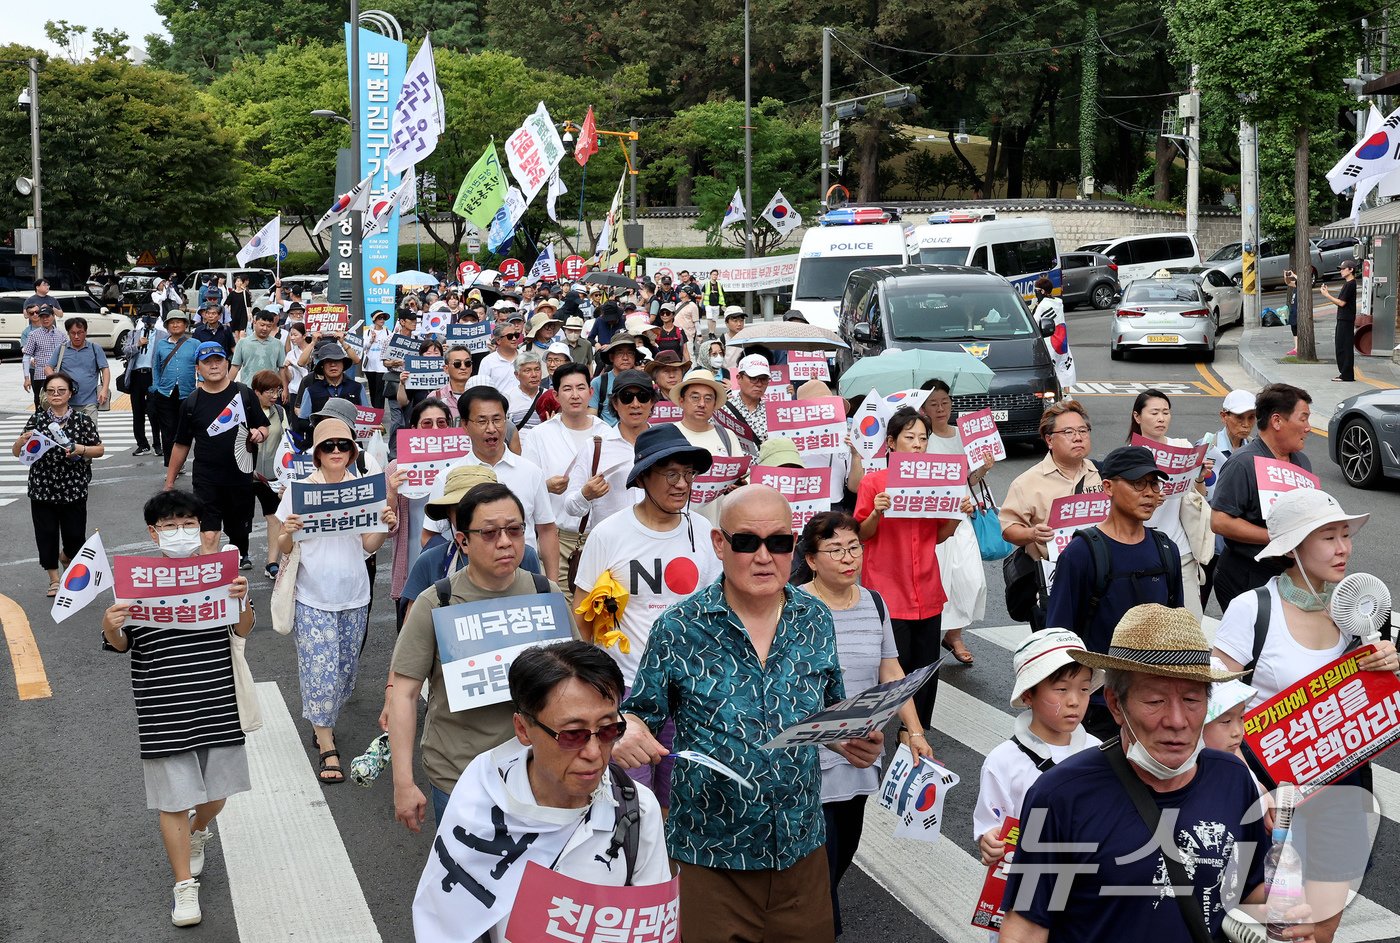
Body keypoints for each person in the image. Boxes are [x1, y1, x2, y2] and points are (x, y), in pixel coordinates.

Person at [615, 484, 882, 943]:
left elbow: (829, 708)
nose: (764, 557)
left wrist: (847, 735)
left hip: (801, 848)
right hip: (710, 857)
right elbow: (642, 712)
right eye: (746, 542)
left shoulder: (814, 618)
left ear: (793, 546)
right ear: (720, 544)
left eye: (778, 542)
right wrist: (626, 732)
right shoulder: (680, 627)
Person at [998, 604, 1311, 943]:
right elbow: (1027, 926)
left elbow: (1247, 890)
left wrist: (1288, 915)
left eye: (1192, 699)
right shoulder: (1060, 795)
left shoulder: (1232, 779)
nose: (1177, 721)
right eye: (1155, 701)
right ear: (1116, 704)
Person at [1213, 488, 1395, 943]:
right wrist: (1253, 788)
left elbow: (1377, 708)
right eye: (1329, 537)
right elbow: (1212, 711)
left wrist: (1391, 663)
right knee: (1285, 928)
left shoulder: (1363, 612)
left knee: (1321, 930)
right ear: (1294, 547)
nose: (1343, 548)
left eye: (1345, 535)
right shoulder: (1252, 610)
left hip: (1344, 792)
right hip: (1271, 798)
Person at [412, 640, 671, 943]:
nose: (593, 753)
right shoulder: (482, 793)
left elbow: (653, 931)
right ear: (523, 729)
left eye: (608, 730)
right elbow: (445, 918)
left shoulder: (637, 809)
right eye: (573, 734)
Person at [100, 489, 256, 928]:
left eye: (187, 523)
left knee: (218, 794)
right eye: (169, 525)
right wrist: (109, 625)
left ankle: (198, 830)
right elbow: (121, 643)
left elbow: (243, 627)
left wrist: (241, 596)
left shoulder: (216, 572)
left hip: (215, 700)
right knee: (172, 799)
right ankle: (184, 886)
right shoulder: (136, 579)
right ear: (153, 533)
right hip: (161, 706)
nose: (179, 532)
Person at [388, 482, 561, 827]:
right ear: (462, 540)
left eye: (514, 530)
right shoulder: (436, 602)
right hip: (460, 776)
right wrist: (403, 782)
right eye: (489, 532)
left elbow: (573, 680)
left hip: (538, 773)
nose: (504, 542)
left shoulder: (545, 592)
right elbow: (404, 694)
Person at [573, 424, 721, 808]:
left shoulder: (702, 531)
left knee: (677, 798)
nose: (682, 484)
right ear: (644, 477)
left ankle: (670, 868)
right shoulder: (610, 534)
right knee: (628, 799)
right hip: (625, 691)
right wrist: (592, 692)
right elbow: (582, 617)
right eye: (670, 473)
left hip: (687, 693)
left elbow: (719, 610)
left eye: (688, 474)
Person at [798, 511, 932, 935]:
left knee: (846, 843)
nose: (847, 557)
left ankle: (817, 915)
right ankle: (821, 926)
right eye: (834, 550)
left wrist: (914, 730)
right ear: (812, 559)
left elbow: (890, 670)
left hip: (861, 750)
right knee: (823, 852)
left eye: (853, 547)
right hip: (811, 751)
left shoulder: (874, 602)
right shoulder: (793, 606)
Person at [276, 417, 397, 785]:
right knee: (320, 671)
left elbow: (368, 545)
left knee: (344, 672)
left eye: (343, 446)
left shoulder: (362, 490)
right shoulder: (298, 492)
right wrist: (288, 532)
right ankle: (327, 745)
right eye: (328, 447)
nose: (336, 452)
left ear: (352, 451)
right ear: (316, 454)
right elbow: (282, 547)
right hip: (312, 596)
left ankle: (321, 719)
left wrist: (385, 526)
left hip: (355, 595)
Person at [1044, 444, 1183, 740]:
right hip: (1099, 704)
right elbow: (1058, 636)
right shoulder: (1081, 554)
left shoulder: (1166, 550)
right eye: (1136, 484)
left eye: (1154, 484)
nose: (1149, 493)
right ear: (1107, 487)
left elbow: (1175, 630)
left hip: (1153, 700)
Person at [854, 407, 959, 730]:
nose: (917, 444)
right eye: (909, 437)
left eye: (923, 438)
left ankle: (913, 731)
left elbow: (940, 535)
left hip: (926, 589)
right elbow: (861, 536)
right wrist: (876, 512)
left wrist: (957, 511)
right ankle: (876, 729)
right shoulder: (873, 483)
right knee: (890, 666)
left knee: (925, 667)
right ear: (891, 443)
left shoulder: (935, 481)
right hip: (888, 591)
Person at [972, 629, 1102, 873]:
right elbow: (991, 825)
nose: (1074, 701)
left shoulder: (1099, 752)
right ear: (1028, 694)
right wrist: (988, 839)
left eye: (1084, 689)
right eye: (1062, 689)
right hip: (1027, 881)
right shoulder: (1003, 762)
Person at [426, 387, 560, 580]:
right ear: (464, 425)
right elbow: (429, 536)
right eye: (482, 421)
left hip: (523, 578)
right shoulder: (447, 478)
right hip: (467, 583)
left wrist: (552, 586)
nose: (491, 428)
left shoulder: (531, 472)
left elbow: (546, 530)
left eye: (498, 419)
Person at [164, 343, 271, 568]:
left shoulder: (244, 394)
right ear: (197, 368)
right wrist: (170, 482)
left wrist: (259, 434)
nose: (214, 366)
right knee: (210, 535)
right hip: (206, 480)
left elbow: (263, 426)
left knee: (238, 536)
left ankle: (240, 556)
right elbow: (181, 445)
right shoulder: (191, 403)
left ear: (227, 363)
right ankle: (211, 585)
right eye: (207, 362)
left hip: (241, 478)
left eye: (218, 360)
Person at [1000, 399, 1102, 630]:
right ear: (1049, 440)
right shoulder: (1027, 482)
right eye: (1068, 432)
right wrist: (1032, 533)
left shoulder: (1103, 475)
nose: (1078, 437)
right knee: (1060, 657)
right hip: (1053, 584)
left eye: (1082, 431)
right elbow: (1008, 529)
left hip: (1100, 580)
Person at [1210, 382, 1313, 607]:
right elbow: (1220, 521)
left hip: (1289, 577)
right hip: (1246, 577)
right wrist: (1275, 536)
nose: (1308, 427)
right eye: (1303, 418)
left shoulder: (1302, 462)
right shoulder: (1242, 463)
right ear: (1276, 421)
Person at [522, 363, 617, 583]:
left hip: (600, 539)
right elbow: (525, 487)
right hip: (557, 538)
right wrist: (545, 486)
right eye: (567, 389)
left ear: (591, 392)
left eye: (581, 388)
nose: (575, 395)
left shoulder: (608, 434)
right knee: (561, 606)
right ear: (555, 394)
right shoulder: (540, 435)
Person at [12, 371, 104, 596]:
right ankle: (54, 579)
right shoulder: (37, 419)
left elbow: (99, 449)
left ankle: (66, 556)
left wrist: (79, 449)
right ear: (45, 394)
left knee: (75, 536)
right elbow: (17, 452)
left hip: (73, 486)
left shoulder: (82, 420)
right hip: (42, 486)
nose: (56, 394)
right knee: (46, 533)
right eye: (51, 391)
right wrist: (20, 441)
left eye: (61, 390)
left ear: (70, 393)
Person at [1126, 390, 1214, 621]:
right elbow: (1121, 506)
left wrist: (1199, 477)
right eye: (1154, 412)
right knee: (1149, 624)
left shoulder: (1182, 446)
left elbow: (1199, 496)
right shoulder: (1129, 455)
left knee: (1191, 622)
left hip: (1181, 550)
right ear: (1137, 417)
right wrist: (1150, 499)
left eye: (1166, 412)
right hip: (1143, 552)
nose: (1161, 418)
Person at [920, 379, 990, 663]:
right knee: (940, 577)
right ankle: (945, 634)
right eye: (933, 403)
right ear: (923, 407)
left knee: (971, 578)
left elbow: (968, 479)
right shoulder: (920, 437)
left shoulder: (963, 434)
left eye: (945, 402)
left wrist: (983, 469)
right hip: (932, 515)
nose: (940, 408)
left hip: (962, 512)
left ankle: (953, 632)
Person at [1201, 389, 1257, 606]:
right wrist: (1198, 478)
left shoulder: (1255, 451)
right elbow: (1194, 497)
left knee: (1241, 608)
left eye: (1251, 417)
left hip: (1238, 548)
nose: (1246, 424)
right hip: (1208, 543)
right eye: (1239, 418)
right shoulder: (1205, 446)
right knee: (1198, 604)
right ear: (1224, 416)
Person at [248, 370, 289, 580]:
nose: (274, 395)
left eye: (277, 390)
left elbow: (287, 441)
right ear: (257, 392)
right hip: (246, 474)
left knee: (274, 518)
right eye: (269, 391)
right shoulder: (244, 412)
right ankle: (242, 554)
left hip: (271, 476)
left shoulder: (280, 412)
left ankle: (271, 562)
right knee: (242, 518)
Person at [150, 308, 200, 469]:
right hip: (165, 393)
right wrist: (156, 386)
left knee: (185, 429)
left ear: (185, 325)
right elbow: (155, 367)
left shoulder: (194, 344)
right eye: (172, 322)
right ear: (167, 326)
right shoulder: (161, 344)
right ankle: (171, 464)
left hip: (188, 393)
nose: (176, 325)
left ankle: (181, 461)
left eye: (179, 322)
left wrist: (202, 383)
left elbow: (202, 365)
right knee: (167, 430)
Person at [45, 317, 110, 419]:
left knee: (90, 433)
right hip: (66, 403)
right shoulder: (61, 349)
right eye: (72, 333)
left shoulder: (95, 348)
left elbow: (105, 369)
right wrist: (57, 381)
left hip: (90, 402)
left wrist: (104, 389)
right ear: (68, 333)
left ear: (85, 332)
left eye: (80, 332)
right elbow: (48, 368)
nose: (76, 336)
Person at [671, 367, 741, 459]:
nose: (702, 404)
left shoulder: (727, 436)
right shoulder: (669, 435)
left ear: (714, 404)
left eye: (708, 399)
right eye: (695, 397)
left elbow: (741, 471)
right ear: (681, 401)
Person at [123, 305, 165, 456]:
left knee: (154, 411)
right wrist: (137, 345)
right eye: (146, 315)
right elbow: (126, 351)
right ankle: (142, 444)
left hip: (153, 376)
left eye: (153, 315)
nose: (149, 318)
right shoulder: (134, 334)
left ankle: (157, 443)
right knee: (138, 412)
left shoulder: (162, 335)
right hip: (136, 375)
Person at [297, 342, 368, 424]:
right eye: (328, 361)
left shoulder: (357, 388)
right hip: (321, 435)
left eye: (337, 361)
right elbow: (302, 421)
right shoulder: (311, 390)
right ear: (322, 366)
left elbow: (366, 416)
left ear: (343, 364)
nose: (333, 365)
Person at [1319, 258, 1358, 382]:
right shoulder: (1349, 284)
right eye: (1340, 269)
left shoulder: (1350, 284)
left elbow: (1341, 303)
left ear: (1351, 270)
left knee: (1344, 347)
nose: (1341, 271)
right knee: (1341, 346)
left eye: (1343, 269)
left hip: (1346, 319)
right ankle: (1344, 374)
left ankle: (1347, 375)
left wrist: (1327, 295)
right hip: (1344, 318)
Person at [588, 334, 640, 426]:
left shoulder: (642, 381)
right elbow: (592, 416)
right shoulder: (599, 383)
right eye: (620, 353)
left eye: (630, 353)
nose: (625, 358)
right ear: (611, 357)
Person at [725, 353, 771, 454]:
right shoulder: (723, 411)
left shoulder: (774, 413)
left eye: (764, 379)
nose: (759, 384)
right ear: (739, 378)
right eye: (753, 378)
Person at [21, 303, 62, 410]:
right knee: (41, 405)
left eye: (47, 316)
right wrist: (26, 378)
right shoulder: (33, 335)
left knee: (59, 406)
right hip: (40, 376)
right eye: (42, 317)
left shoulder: (61, 334)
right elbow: (26, 357)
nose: (45, 319)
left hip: (59, 376)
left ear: (53, 316)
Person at [505, 351, 557, 432]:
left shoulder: (550, 396)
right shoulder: (507, 397)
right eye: (527, 371)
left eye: (537, 369)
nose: (534, 375)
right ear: (517, 375)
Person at [229, 310, 283, 383]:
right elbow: (235, 367)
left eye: (269, 326)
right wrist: (228, 386)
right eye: (262, 325)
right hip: (248, 387)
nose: (265, 329)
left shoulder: (278, 344)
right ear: (254, 323)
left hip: (270, 389)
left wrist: (285, 389)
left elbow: (282, 368)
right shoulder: (243, 343)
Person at [427, 343, 475, 423]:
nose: (463, 367)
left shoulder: (481, 395)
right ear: (446, 368)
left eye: (467, 363)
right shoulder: (435, 397)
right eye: (457, 364)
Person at [477, 322, 521, 392]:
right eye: (510, 336)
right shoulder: (487, 361)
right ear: (498, 340)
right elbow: (482, 388)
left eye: (516, 335)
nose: (514, 338)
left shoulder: (525, 357)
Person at [228, 274, 252, 339]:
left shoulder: (245, 293)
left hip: (243, 315)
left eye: (240, 281)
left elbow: (249, 305)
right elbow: (227, 304)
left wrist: (250, 314)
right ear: (235, 283)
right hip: (234, 315)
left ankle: (242, 347)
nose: (239, 282)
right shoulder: (232, 294)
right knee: (236, 335)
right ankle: (237, 348)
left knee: (242, 333)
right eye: (237, 281)